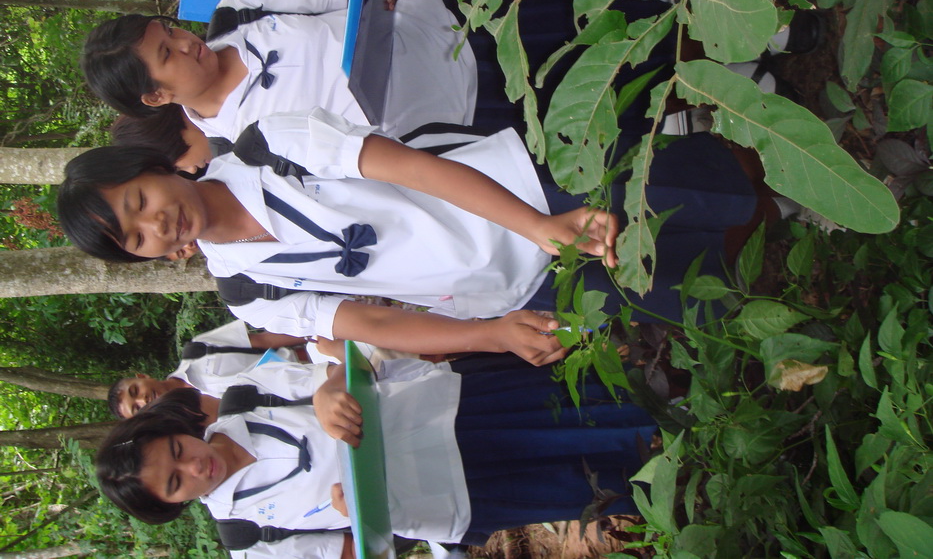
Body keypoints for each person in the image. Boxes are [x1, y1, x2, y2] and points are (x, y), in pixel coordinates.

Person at [57, 107, 758, 361]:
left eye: (140, 200)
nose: (156, 223)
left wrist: (540, 225)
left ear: (156, 167)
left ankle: (781, 183)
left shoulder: (268, 145)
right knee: (675, 288)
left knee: (678, 196)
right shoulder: (247, 292)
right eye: (137, 239)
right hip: (505, 285)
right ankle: (791, 268)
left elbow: (413, 168)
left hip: (521, 194)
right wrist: (491, 334)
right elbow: (371, 323)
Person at [96, 353, 659, 556]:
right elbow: (354, 552)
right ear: (173, 506)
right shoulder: (246, 536)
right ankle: (682, 465)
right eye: (176, 482)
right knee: (577, 481)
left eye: (178, 449)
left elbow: (344, 363)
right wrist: (361, 521)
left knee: (573, 411)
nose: (194, 466)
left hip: (448, 413)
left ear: (175, 427)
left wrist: (327, 390)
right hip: (450, 497)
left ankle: (674, 394)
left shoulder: (246, 398)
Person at [83, 0, 476, 142]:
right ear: (156, 96)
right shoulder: (246, 147)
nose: (185, 42)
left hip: (457, 27)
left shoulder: (239, 8)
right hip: (462, 119)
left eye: (171, 31)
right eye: (167, 54)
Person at [107, 319, 311, 419]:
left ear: (143, 376)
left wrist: (321, 333)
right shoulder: (199, 422)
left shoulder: (199, 350)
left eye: (135, 391)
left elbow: (265, 340)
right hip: (311, 408)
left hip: (313, 360)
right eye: (137, 408)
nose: (143, 400)